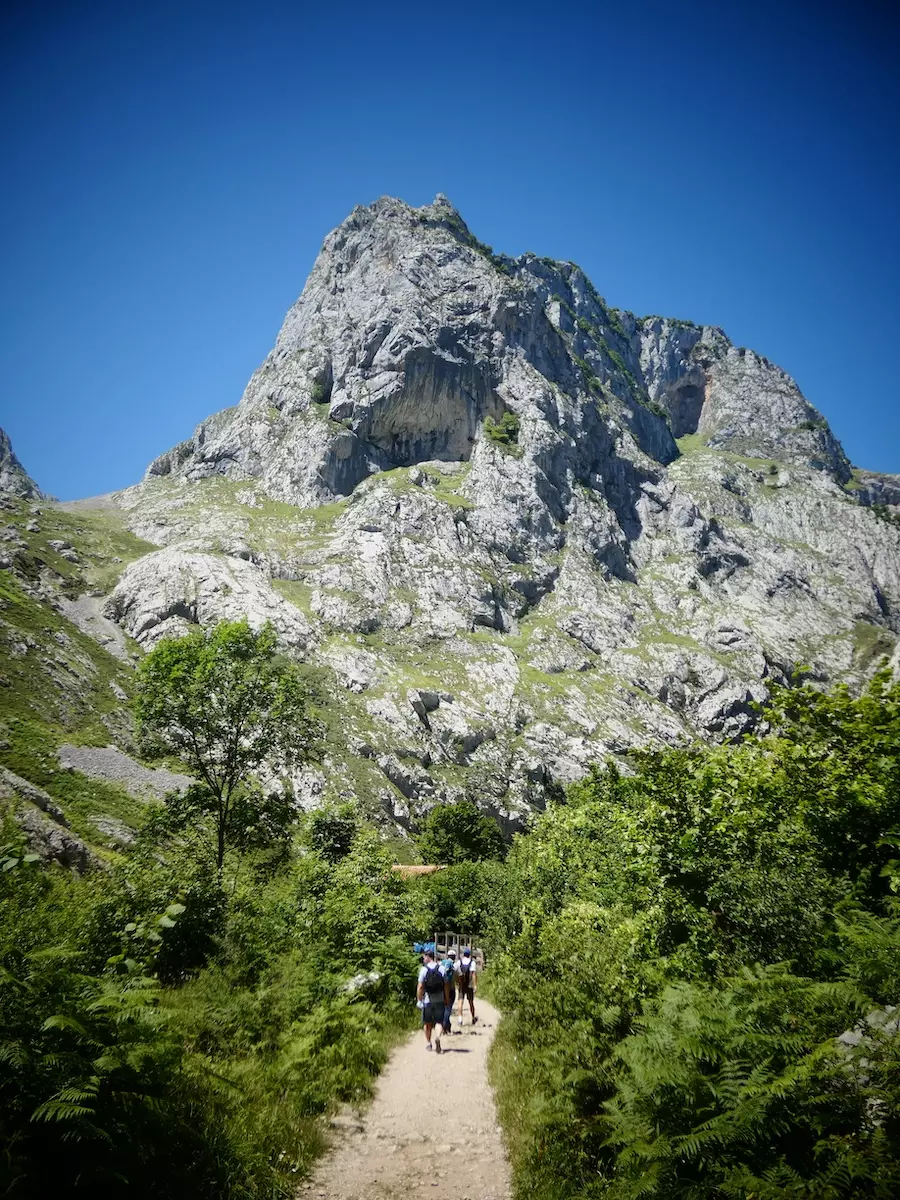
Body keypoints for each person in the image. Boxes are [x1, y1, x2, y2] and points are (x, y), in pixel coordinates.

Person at [417, 949, 449, 1052]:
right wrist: (446, 998)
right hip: (439, 999)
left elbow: (420, 986)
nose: (424, 959)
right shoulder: (441, 968)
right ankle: (438, 1037)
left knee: (427, 1023)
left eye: (424, 957)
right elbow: (446, 986)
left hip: (427, 1000)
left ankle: (429, 1043)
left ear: (427, 957)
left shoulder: (424, 970)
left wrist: (419, 999)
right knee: (439, 1021)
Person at [456, 946, 477, 1027]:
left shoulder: (459, 962)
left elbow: (457, 973)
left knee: (460, 1002)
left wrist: (457, 982)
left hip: (461, 985)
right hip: (469, 985)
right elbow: (474, 975)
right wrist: (475, 985)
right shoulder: (472, 963)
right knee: (471, 1002)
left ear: (463, 954)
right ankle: (473, 1017)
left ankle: (460, 1019)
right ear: (469, 955)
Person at [441, 948, 457, 1035]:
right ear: (454, 957)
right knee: (448, 1009)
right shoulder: (452, 964)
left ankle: (447, 1026)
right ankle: (443, 1027)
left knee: (444, 1008)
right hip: (450, 989)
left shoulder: (442, 963)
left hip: (441, 989)